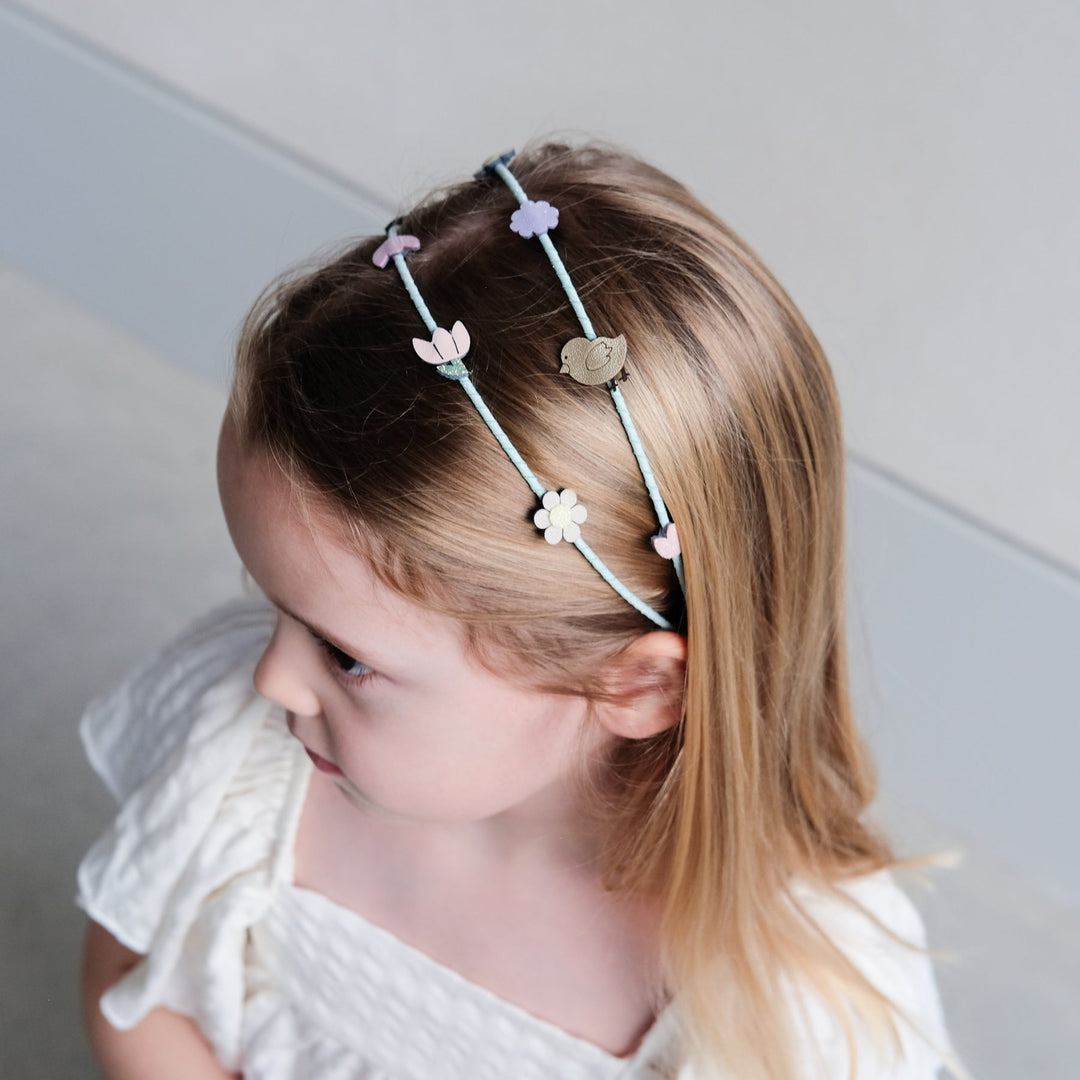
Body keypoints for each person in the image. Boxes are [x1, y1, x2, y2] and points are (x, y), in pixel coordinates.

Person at [77, 142, 961, 1080]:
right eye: (273, 602)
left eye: (343, 655)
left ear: (636, 684)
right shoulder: (245, 758)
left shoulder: (790, 992)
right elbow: (133, 991)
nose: (269, 675)